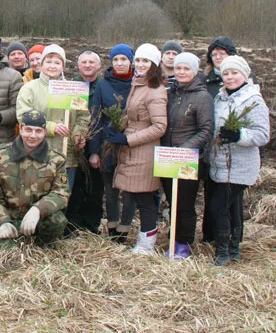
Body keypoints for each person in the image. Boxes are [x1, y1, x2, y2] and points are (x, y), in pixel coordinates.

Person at [105, 43, 167, 254]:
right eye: (138, 60)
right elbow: (133, 115)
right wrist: (117, 127)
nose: (140, 64)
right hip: (133, 147)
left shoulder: (155, 90)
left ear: (154, 65)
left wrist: (129, 140)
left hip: (144, 150)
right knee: (138, 194)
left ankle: (146, 245)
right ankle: (143, 241)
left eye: (145, 61)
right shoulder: (138, 84)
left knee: (145, 198)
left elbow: (159, 126)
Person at [209, 55, 269, 266]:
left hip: (240, 165)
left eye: (234, 73)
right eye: (226, 73)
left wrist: (238, 135)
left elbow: (262, 134)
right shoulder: (219, 99)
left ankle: (223, 252)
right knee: (230, 206)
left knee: (218, 206)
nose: (230, 77)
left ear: (245, 74)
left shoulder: (253, 100)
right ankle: (234, 249)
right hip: (220, 162)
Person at [199, 36, 258, 243]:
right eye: (213, 54)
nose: (217, 57)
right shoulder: (206, 82)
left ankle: (233, 240)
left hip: (236, 154)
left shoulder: (246, 86)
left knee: (229, 200)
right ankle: (211, 238)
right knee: (212, 195)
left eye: (221, 54)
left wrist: (238, 136)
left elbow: (257, 126)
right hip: (212, 150)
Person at [0, 110, 71, 250]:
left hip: (39, 219)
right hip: (11, 220)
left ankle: (44, 246)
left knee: (57, 220)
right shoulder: (0, 155)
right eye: (28, 130)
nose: (32, 136)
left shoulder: (56, 159)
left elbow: (61, 193)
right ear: (20, 129)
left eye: (38, 131)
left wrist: (37, 210)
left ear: (44, 132)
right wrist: (2, 221)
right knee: (10, 258)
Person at [160, 52, 213, 259]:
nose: (181, 72)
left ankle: (184, 243)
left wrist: (186, 149)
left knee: (185, 204)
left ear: (195, 71)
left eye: (186, 69)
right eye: (178, 68)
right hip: (166, 157)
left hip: (187, 160)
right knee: (172, 201)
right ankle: (172, 239)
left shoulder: (202, 97)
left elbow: (206, 130)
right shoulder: (170, 94)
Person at [16, 44, 90, 189]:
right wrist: (51, 127)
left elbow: (83, 116)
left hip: (66, 155)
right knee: (36, 195)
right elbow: (23, 116)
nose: (52, 66)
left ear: (63, 66)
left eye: (57, 62)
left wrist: (78, 134)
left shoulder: (73, 89)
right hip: (38, 152)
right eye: (48, 61)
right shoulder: (29, 88)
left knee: (62, 196)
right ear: (41, 64)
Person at [89, 44, 136, 242]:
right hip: (107, 144)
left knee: (130, 189)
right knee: (111, 190)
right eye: (116, 59)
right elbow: (96, 118)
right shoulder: (103, 84)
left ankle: (125, 229)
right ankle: (113, 229)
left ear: (131, 61)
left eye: (124, 59)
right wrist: (94, 151)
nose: (120, 63)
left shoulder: (138, 83)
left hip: (131, 144)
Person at [64, 47, 103, 234]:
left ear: (99, 65)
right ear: (78, 65)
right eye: (84, 62)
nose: (87, 65)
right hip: (73, 141)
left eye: (91, 62)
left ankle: (92, 224)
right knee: (75, 183)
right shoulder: (71, 86)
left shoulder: (104, 86)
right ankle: (72, 224)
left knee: (95, 185)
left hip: (97, 141)